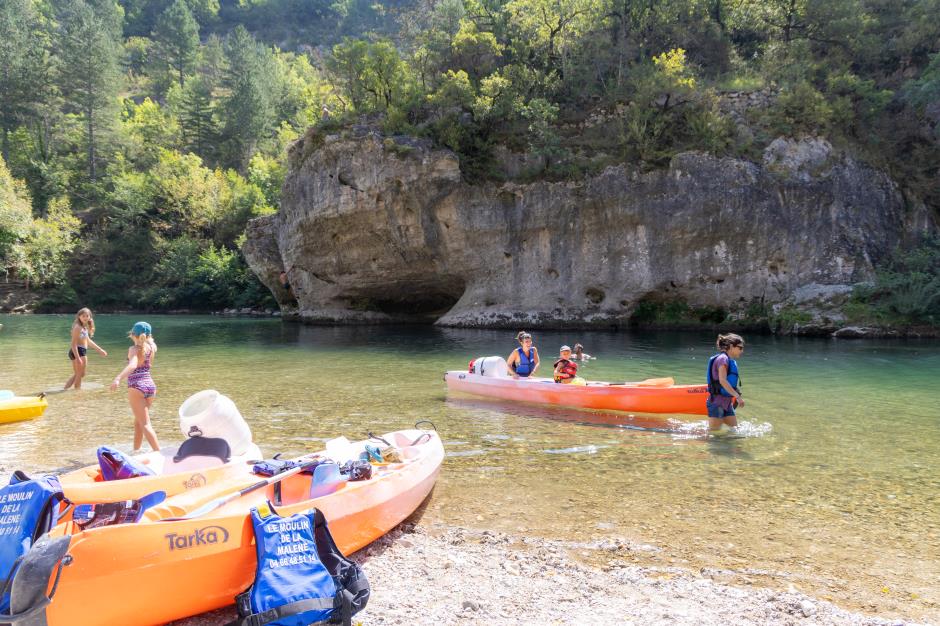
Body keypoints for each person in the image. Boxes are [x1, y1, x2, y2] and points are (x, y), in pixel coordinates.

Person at [110, 322, 160, 452]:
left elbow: (132, 365)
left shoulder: (133, 349)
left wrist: (118, 378)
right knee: (138, 422)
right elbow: (151, 342)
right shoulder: (152, 347)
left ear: (133, 334)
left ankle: (159, 454)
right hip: (150, 386)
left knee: (145, 424)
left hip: (136, 386)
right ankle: (136, 452)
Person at [706, 333, 745, 431]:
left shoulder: (728, 360)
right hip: (717, 403)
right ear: (731, 346)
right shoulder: (723, 359)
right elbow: (722, 380)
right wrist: (737, 396)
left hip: (727, 404)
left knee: (735, 431)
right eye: (740, 348)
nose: (742, 351)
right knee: (714, 436)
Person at [64, 308, 107, 390]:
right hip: (78, 351)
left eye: (87, 316)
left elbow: (88, 341)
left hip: (78, 351)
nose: (85, 318)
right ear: (79, 316)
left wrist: (100, 350)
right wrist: (78, 357)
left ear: (90, 317)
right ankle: (77, 393)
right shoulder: (78, 327)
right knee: (79, 374)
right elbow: (73, 344)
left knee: (79, 374)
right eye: (83, 316)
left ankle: (64, 390)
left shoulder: (84, 328)